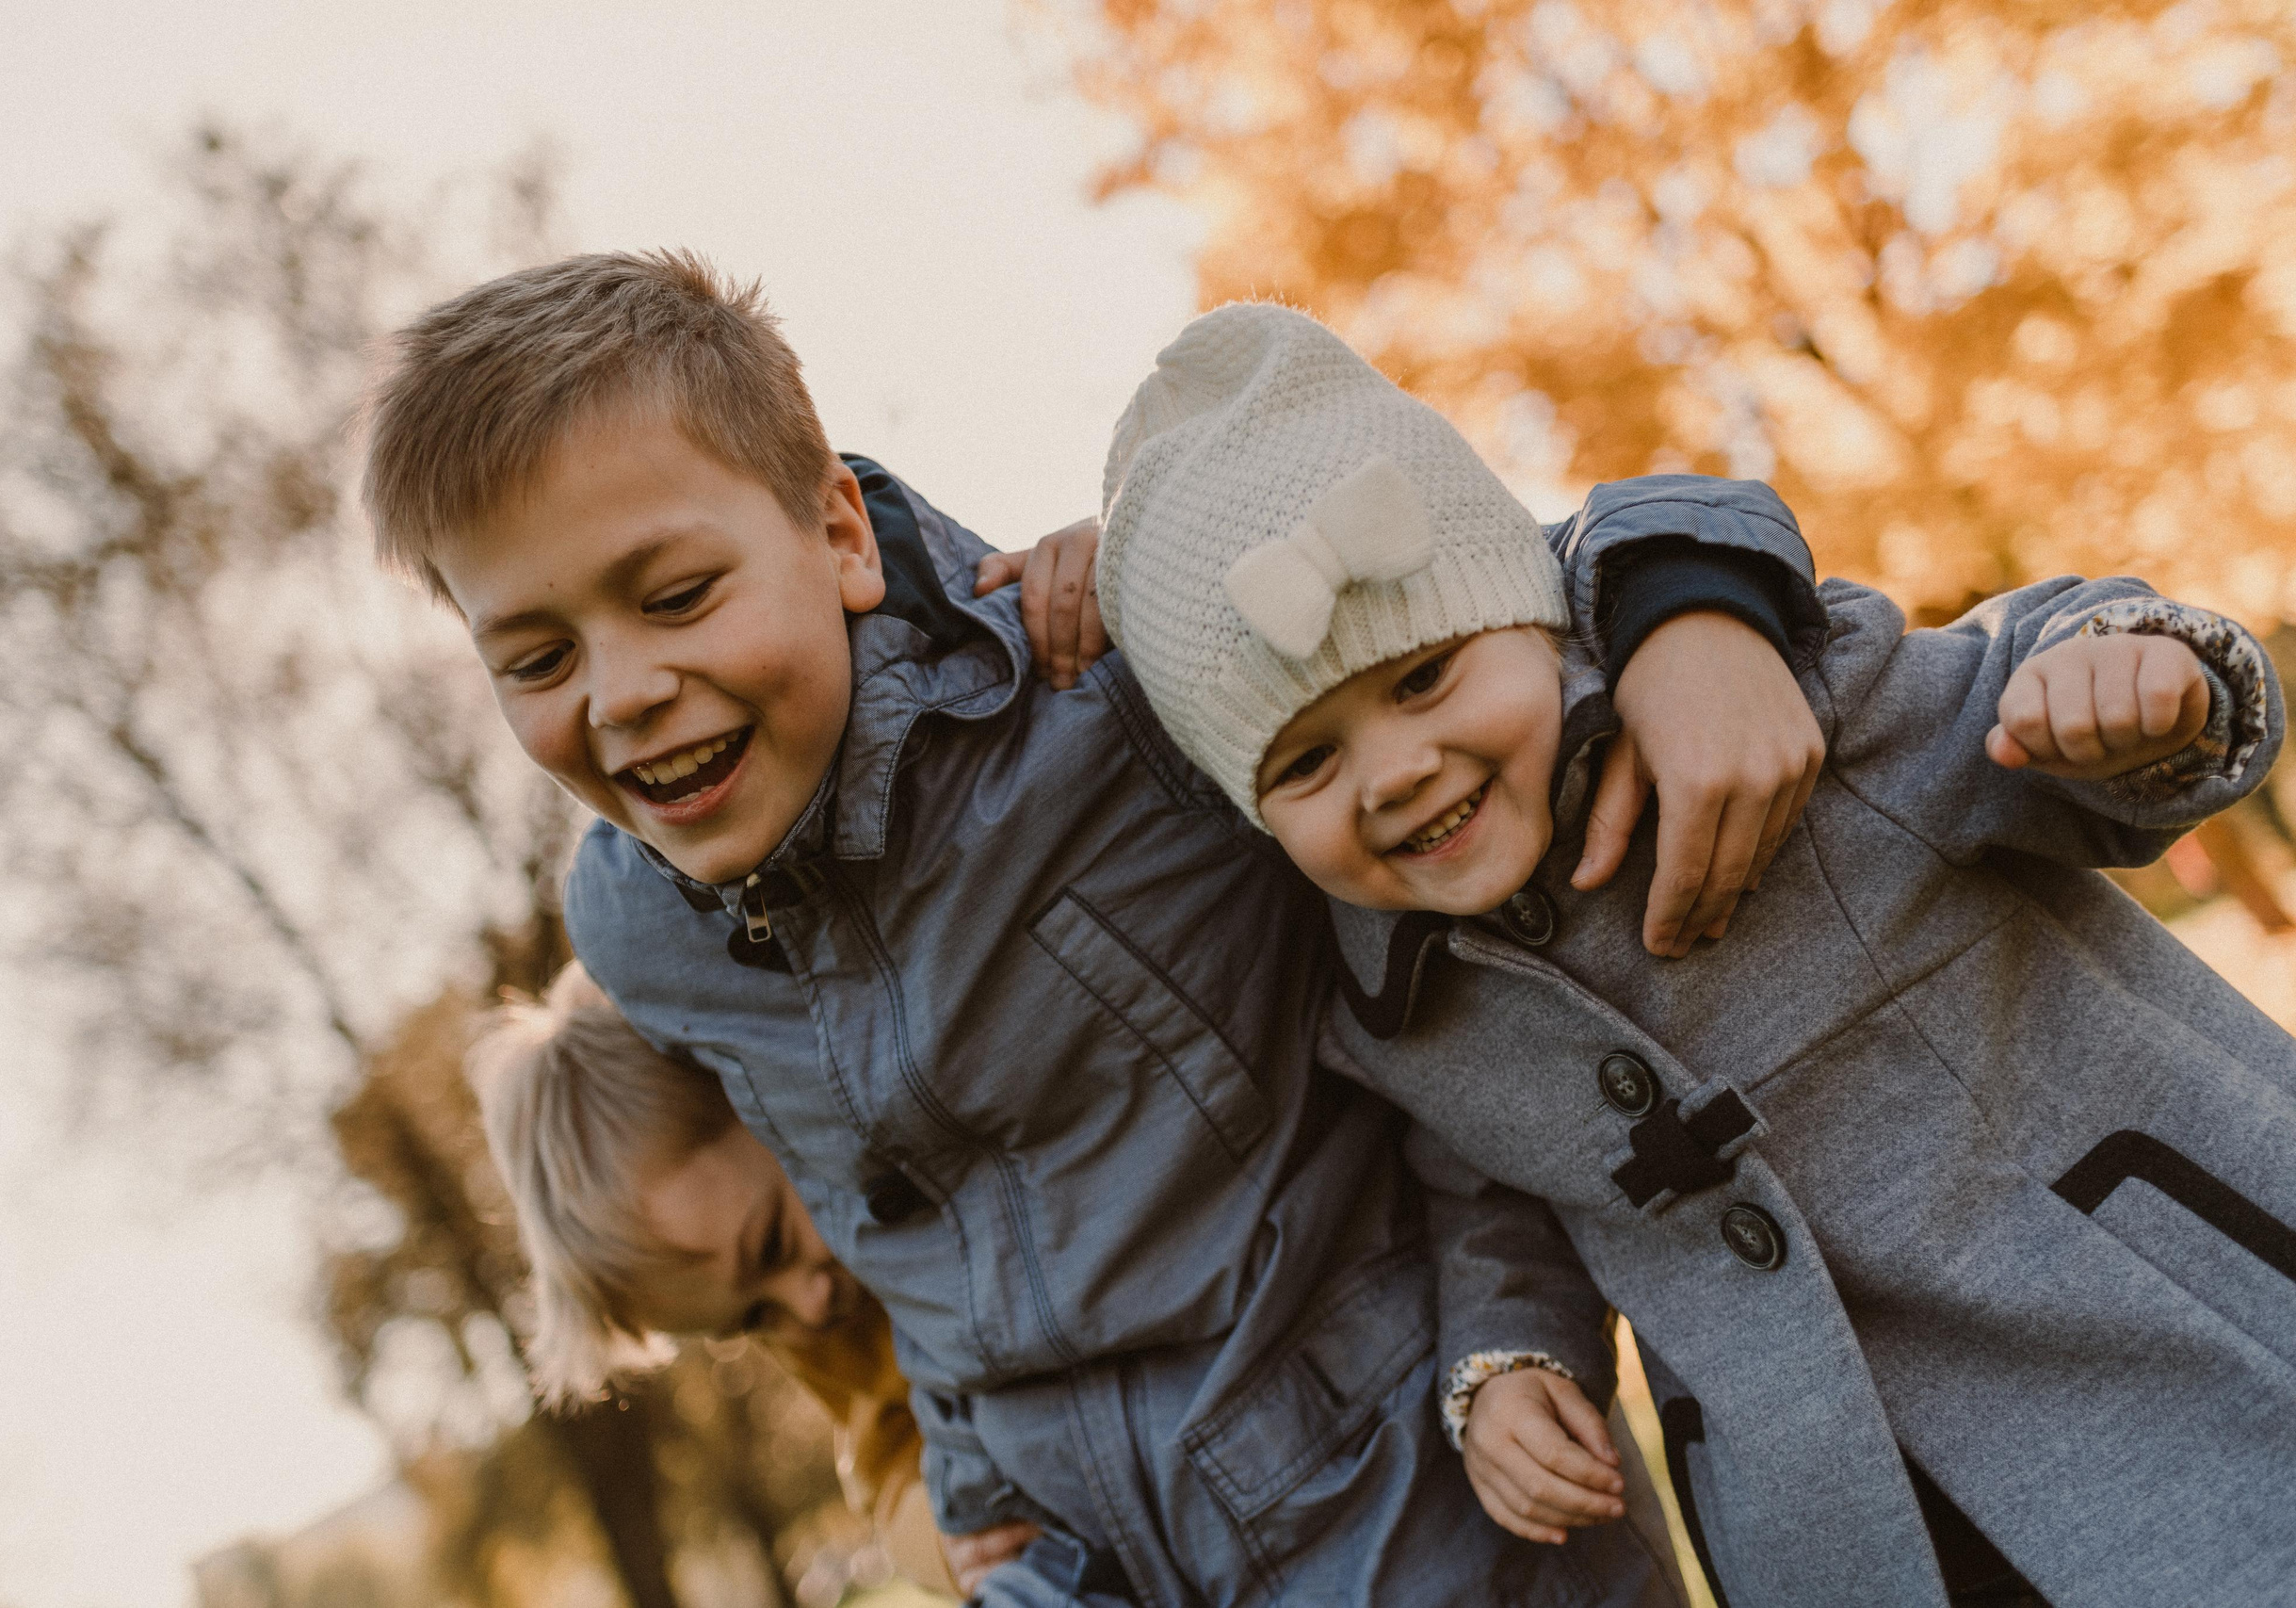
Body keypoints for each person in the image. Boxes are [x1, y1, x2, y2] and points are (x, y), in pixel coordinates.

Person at [360, 249, 1828, 1606]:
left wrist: (1695, 607)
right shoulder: (638, 932)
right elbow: (815, 1229)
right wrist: (941, 1482)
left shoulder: (1115, 708)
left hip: (1397, 1513)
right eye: (538, 655)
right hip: (1069, 1562)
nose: (617, 692)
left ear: (838, 531)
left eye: (676, 595)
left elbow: (1476, 594)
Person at [1090, 301, 2296, 1608]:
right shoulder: (1396, 1003)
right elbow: (1497, 1191)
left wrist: (2133, 679)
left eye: (1427, 675)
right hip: (1845, 1520)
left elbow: (2017, 674)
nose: (1392, 773)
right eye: (1308, 762)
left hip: (2165, 1365)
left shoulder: (1769, 708)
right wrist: (1507, 1358)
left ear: (1537, 622)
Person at [466, 959, 1041, 1598]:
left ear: (769, 1101)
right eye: (754, 1320)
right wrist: (943, 1542)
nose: (808, 1305)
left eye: (773, 1242)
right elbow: (884, 1466)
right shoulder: (825, 1326)